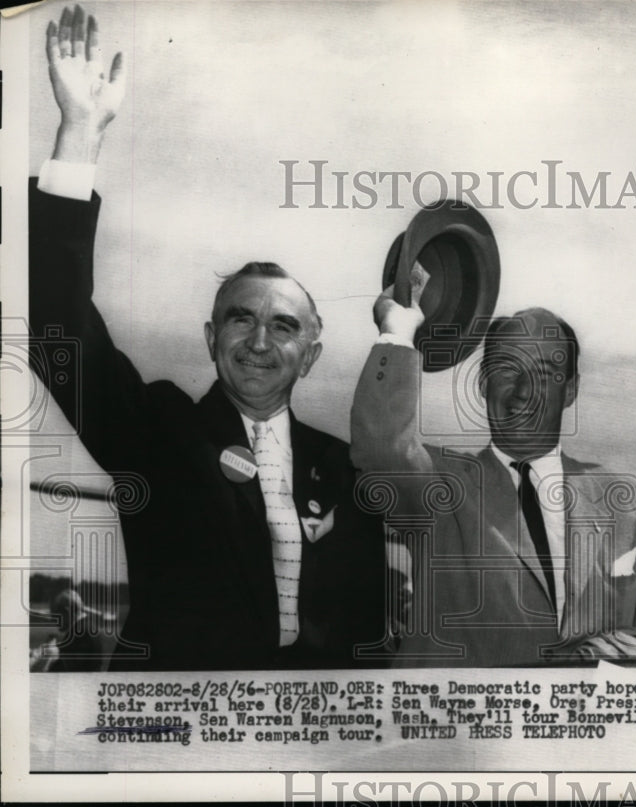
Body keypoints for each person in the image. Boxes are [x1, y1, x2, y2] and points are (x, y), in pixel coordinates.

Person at [29, 6, 387, 670]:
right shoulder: (159, 432)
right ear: (210, 336)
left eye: (283, 325)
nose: (258, 338)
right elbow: (61, 329)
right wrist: (79, 132)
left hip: (314, 742)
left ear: (310, 355)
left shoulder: (344, 469)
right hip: (187, 744)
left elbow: (366, 625)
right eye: (240, 317)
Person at [350, 276, 636, 666]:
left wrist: (607, 660)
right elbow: (381, 446)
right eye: (506, 370)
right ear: (483, 384)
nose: (523, 391)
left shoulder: (634, 502)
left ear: (570, 391)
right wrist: (397, 330)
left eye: (543, 372)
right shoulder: (443, 484)